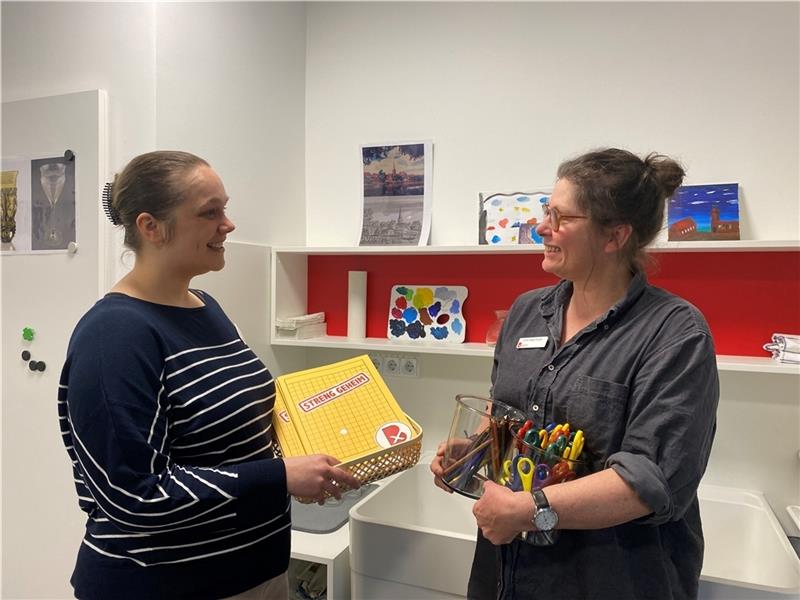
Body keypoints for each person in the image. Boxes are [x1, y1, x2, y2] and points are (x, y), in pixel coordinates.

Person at [57, 151, 359, 600]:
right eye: (209, 212)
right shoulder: (115, 336)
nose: (229, 224)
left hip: (254, 573)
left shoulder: (205, 308)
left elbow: (234, 437)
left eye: (225, 208)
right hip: (162, 585)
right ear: (150, 227)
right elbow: (135, 497)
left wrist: (307, 450)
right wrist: (280, 477)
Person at [431, 148, 719, 600]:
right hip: (508, 571)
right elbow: (505, 412)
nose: (542, 227)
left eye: (560, 218)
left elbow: (647, 483)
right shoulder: (527, 311)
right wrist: (475, 451)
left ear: (614, 236)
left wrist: (531, 510)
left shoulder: (675, 333)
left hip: (611, 579)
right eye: (546, 212)